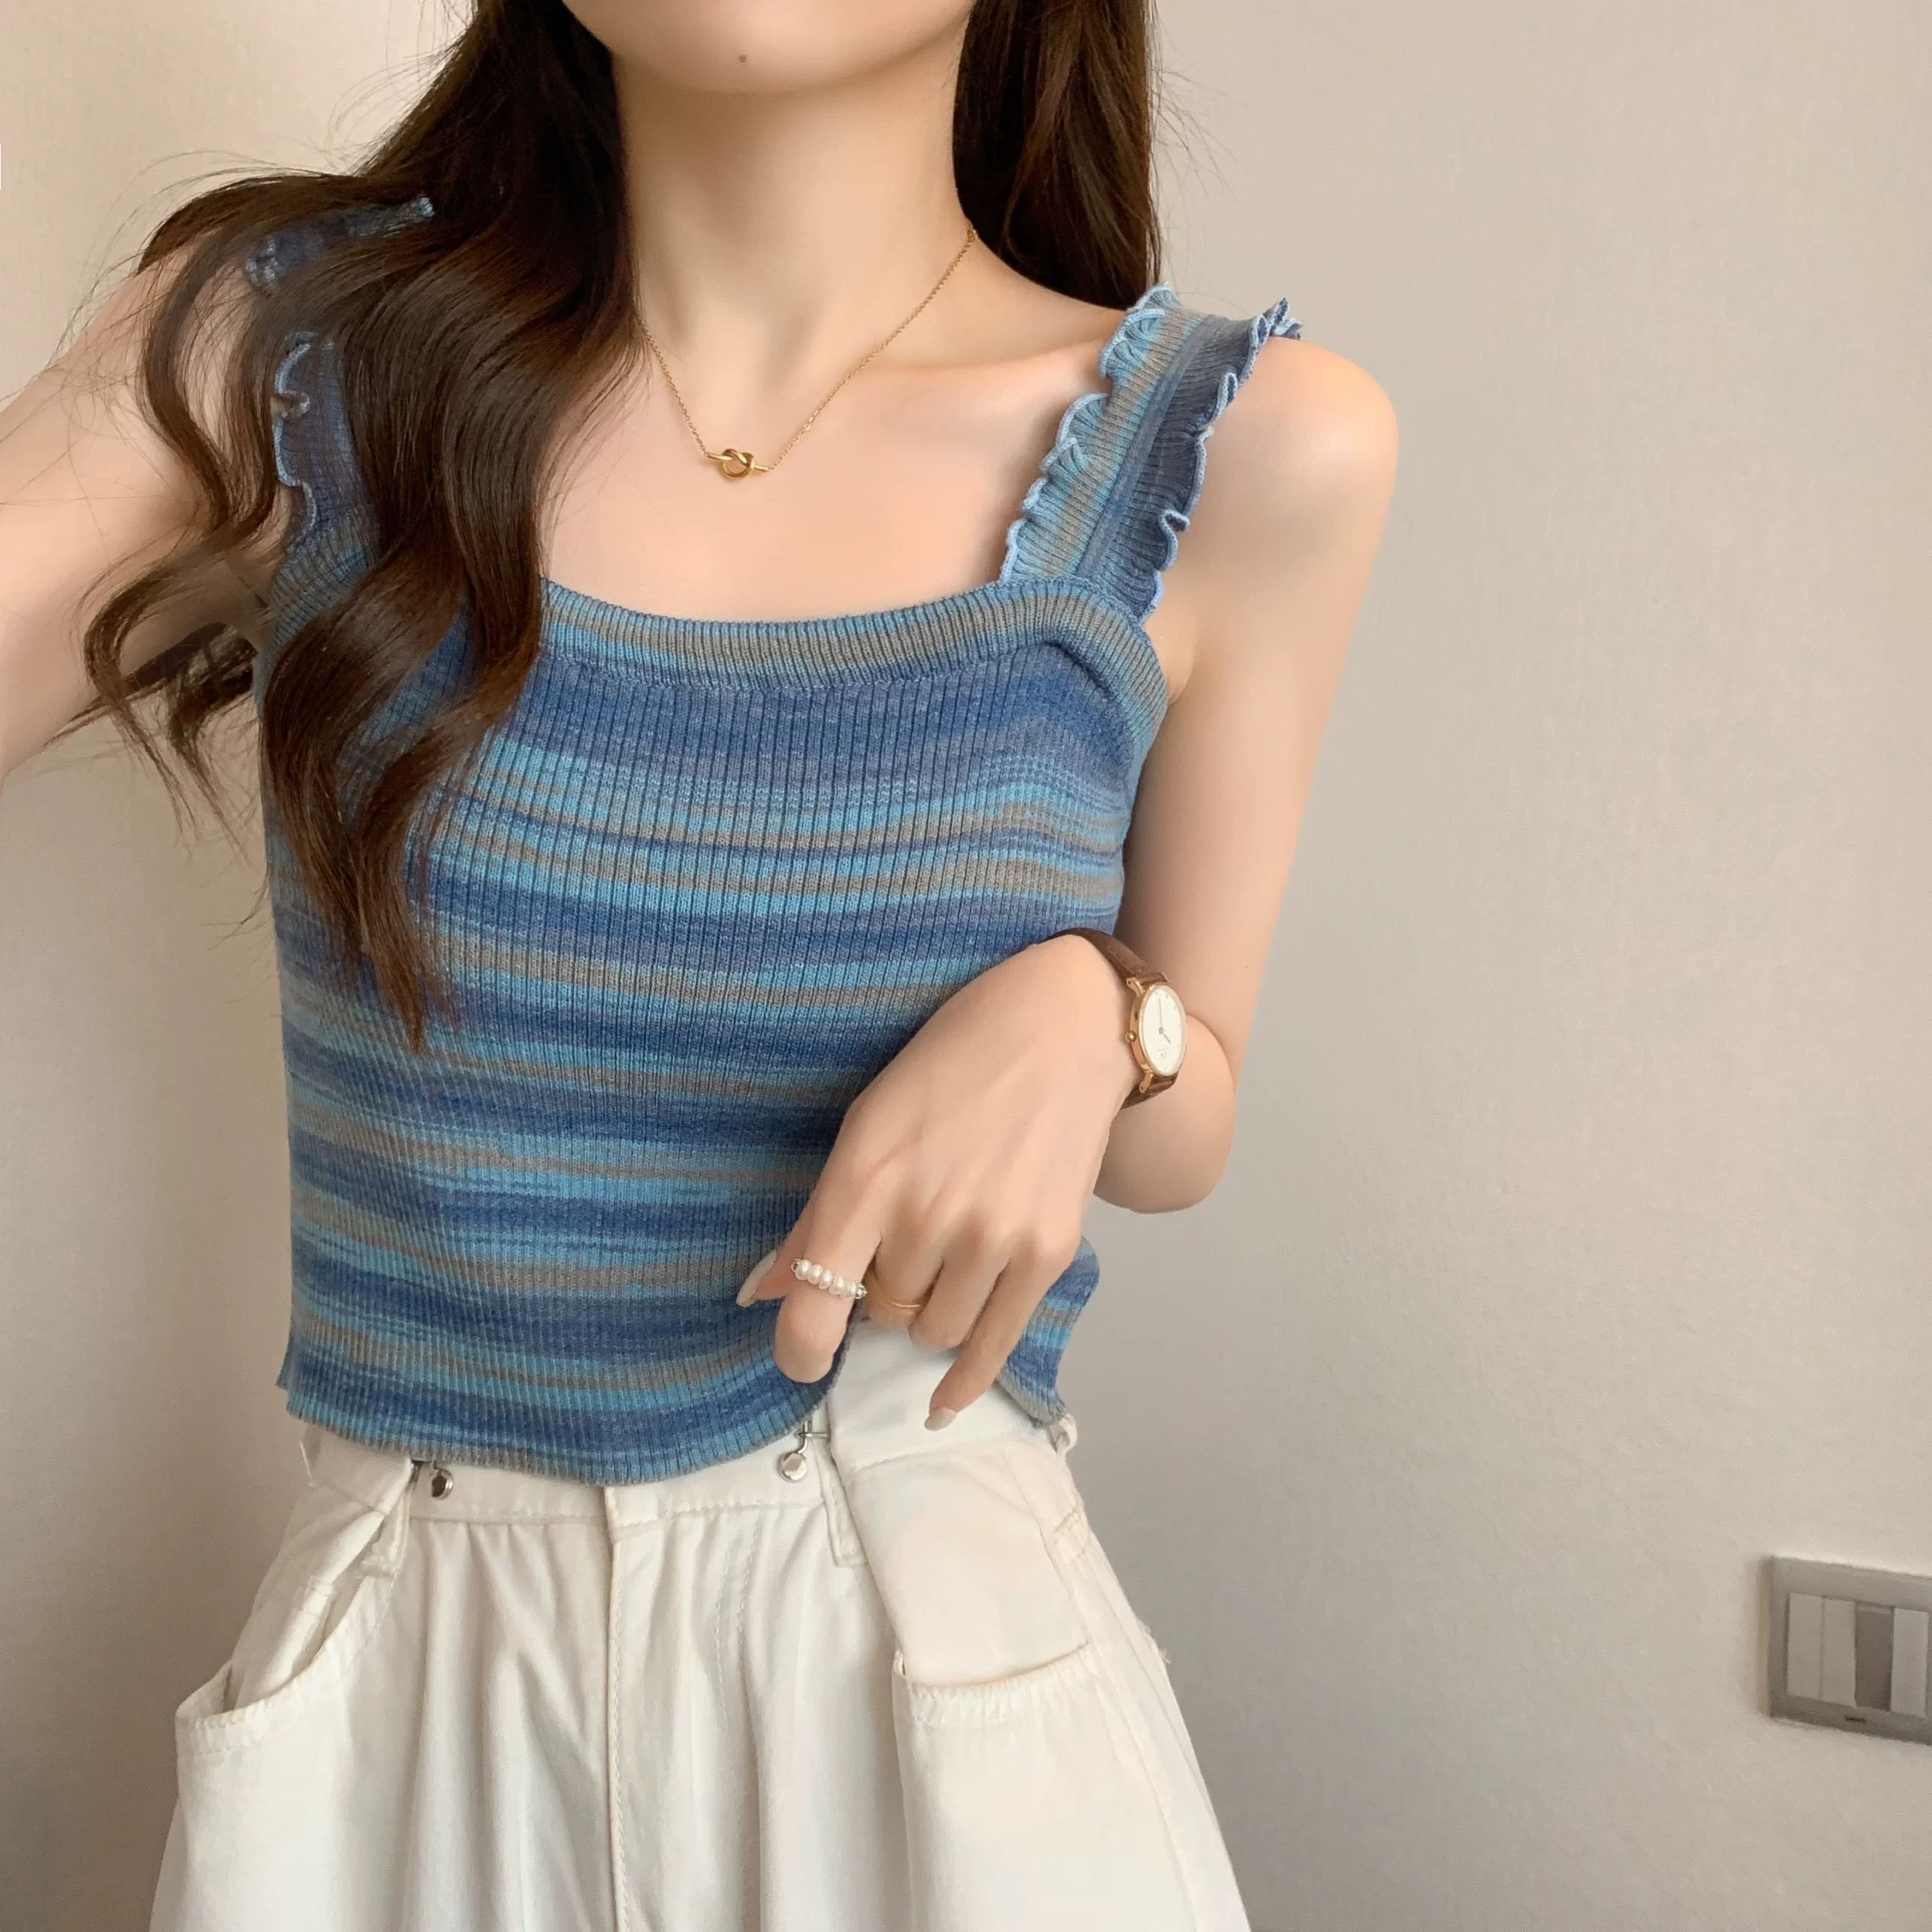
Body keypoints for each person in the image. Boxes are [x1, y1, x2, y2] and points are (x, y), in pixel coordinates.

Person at [0, 1, 1396, 1926]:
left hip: (921, 1654)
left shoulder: (1244, 447)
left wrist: (1101, 1012)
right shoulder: (287, 361)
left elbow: (1187, 1105)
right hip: (411, 1682)